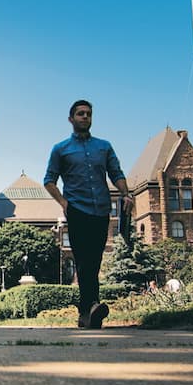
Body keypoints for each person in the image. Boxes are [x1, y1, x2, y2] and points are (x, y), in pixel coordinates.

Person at [44, 99, 133, 329]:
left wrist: (126, 194)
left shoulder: (103, 147)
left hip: (101, 210)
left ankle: (86, 313)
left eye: (88, 114)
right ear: (71, 119)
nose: (85, 117)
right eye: (81, 114)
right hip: (77, 210)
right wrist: (64, 203)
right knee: (83, 260)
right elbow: (49, 181)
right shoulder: (60, 149)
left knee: (94, 260)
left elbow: (116, 172)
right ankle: (92, 305)